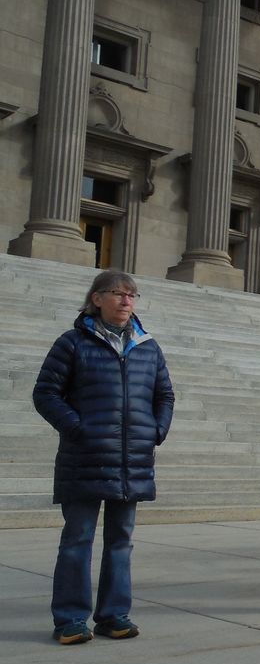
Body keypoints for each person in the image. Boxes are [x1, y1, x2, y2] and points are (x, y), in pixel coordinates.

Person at [33, 270, 174, 644]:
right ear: (96, 299)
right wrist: (77, 428)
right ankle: (70, 619)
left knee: (120, 540)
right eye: (118, 293)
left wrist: (156, 430)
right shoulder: (72, 343)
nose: (127, 301)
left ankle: (113, 615)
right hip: (85, 457)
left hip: (133, 460)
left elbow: (165, 396)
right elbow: (45, 394)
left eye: (132, 295)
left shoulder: (147, 347)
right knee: (78, 539)